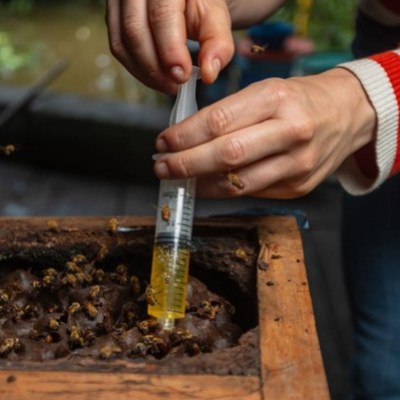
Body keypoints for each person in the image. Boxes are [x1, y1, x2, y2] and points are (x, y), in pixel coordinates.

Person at [106, 1, 400, 398]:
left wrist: (369, 98)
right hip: (383, 37)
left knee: (388, 369)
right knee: (380, 358)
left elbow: (368, 99)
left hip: (379, 81)